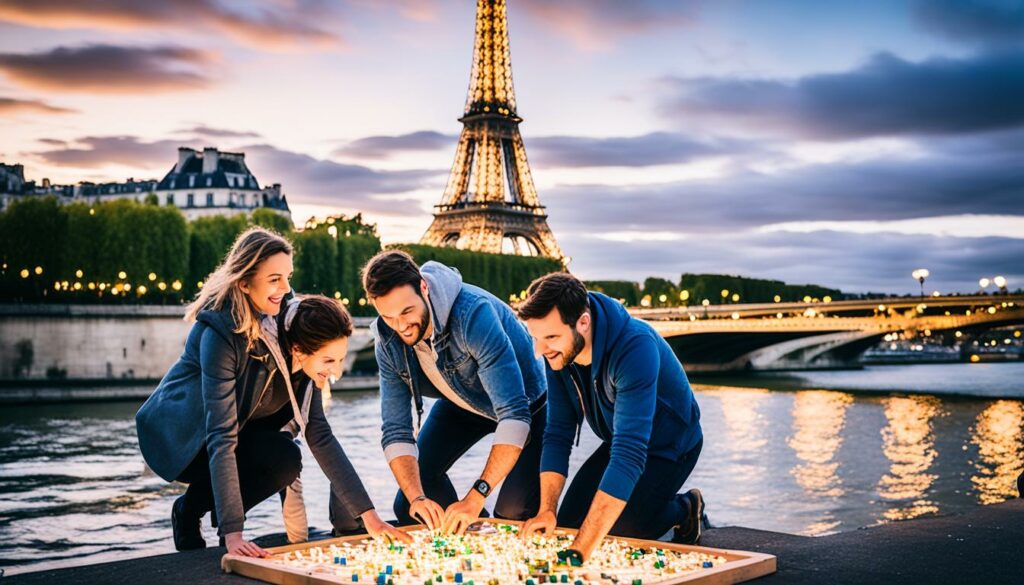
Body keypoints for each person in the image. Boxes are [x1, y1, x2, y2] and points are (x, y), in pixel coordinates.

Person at [136, 227, 408, 557]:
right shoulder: (221, 332)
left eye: (288, 277)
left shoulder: (295, 329)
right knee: (265, 455)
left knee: (284, 458)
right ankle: (189, 511)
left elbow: (319, 434)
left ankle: (209, 513)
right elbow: (221, 435)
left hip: (240, 427)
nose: (286, 288)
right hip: (185, 436)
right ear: (245, 282)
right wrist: (234, 532)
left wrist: (371, 517)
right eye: (275, 278)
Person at [516, 272, 705, 562]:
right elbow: (557, 433)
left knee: (625, 529)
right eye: (536, 338)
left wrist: (580, 550)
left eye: (551, 337)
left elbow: (629, 455)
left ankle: (686, 508)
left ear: (583, 322)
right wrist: (547, 510)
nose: (540, 350)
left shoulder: (635, 347)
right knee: (567, 523)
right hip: (621, 439)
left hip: (672, 445)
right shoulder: (558, 354)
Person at [362, 250, 546, 535]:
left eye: (407, 311)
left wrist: (476, 496)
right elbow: (395, 430)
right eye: (388, 316)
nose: (400, 326)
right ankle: (478, 537)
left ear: (423, 287)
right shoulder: (387, 341)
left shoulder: (472, 314)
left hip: (529, 405)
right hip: (462, 401)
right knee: (408, 505)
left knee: (512, 513)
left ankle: (488, 528)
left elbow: (514, 414)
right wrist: (417, 498)